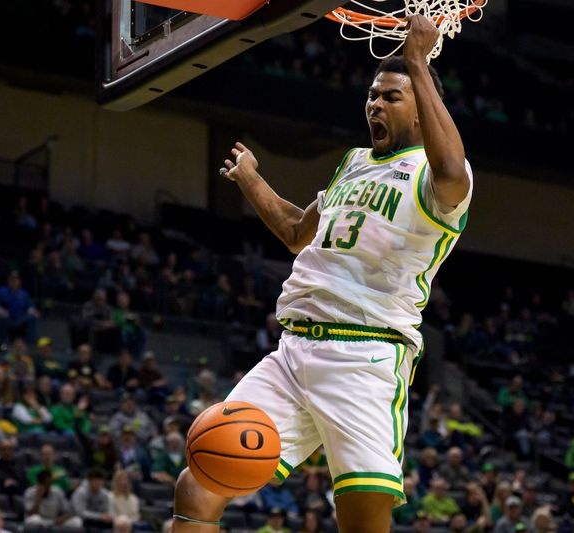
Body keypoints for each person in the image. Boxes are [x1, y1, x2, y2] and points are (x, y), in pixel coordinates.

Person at [174, 15, 473, 532]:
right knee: (198, 483)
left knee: (360, 515)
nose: (375, 105)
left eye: (391, 97)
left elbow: (450, 167)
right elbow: (296, 232)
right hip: (292, 351)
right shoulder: (354, 162)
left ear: (423, 112)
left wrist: (419, 62)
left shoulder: (441, 178)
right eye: (372, 96)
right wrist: (251, 181)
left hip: (365, 356)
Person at [0, 271, 40, 344]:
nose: (14, 282)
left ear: (19, 281)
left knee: (32, 317)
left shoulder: (24, 293)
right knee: (3, 318)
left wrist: (34, 311)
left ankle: (31, 342)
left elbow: (29, 307)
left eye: (16, 280)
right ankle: (1, 341)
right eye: (12, 279)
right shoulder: (1, 291)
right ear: (8, 281)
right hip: (7, 317)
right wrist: (0, 310)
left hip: (19, 319)